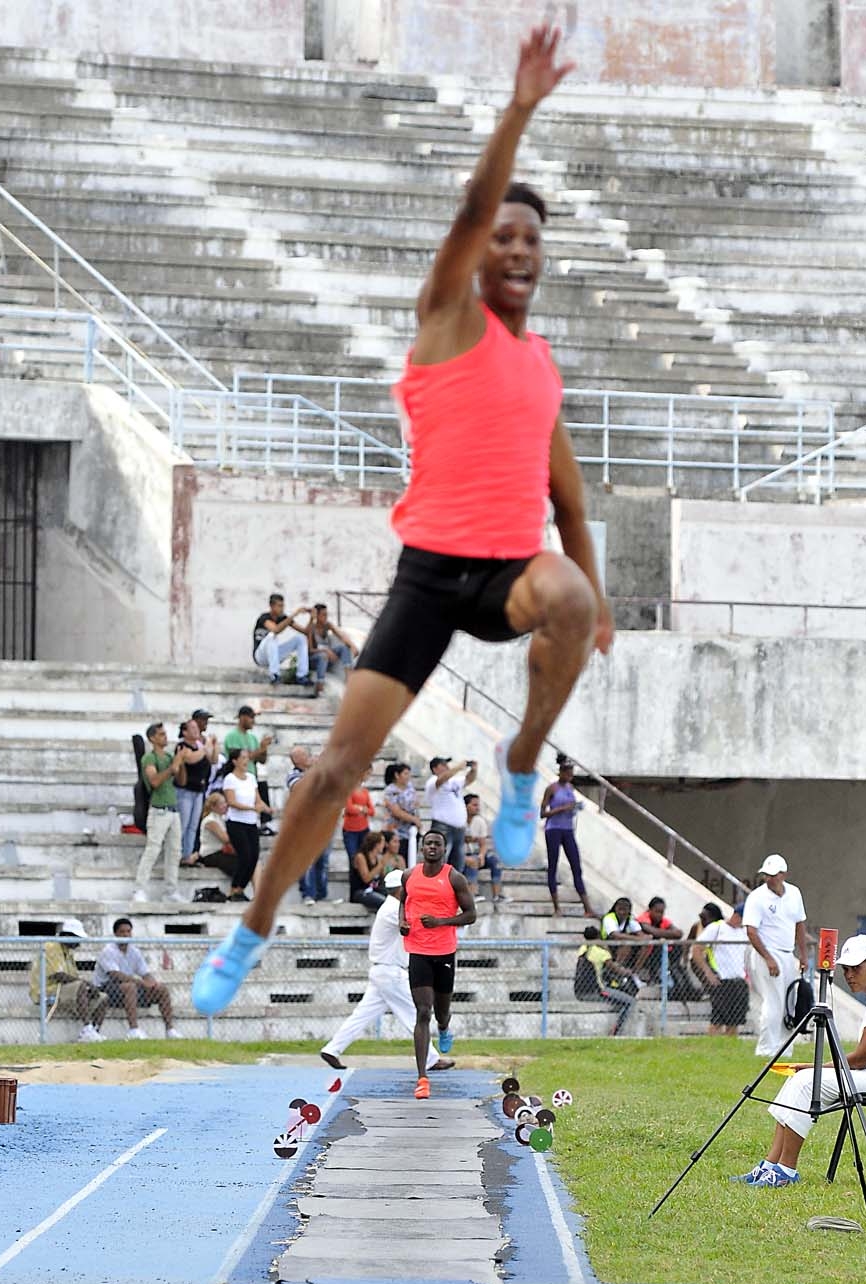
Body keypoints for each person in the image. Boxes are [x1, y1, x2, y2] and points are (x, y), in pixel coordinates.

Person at [193, 24, 611, 1017]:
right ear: (478, 259)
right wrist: (518, 110)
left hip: (511, 570)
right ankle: (250, 930)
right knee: (337, 766)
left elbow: (568, 497)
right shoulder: (445, 318)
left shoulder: (539, 362)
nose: (514, 247)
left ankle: (519, 768)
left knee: (567, 587)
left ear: (542, 261)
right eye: (502, 238)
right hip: (431, 577)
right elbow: (474, 206)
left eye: (530, 239)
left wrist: (592, 602)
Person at [732, 935, 866, 1188]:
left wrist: (816, 1068)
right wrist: (813, 1069)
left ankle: (786, 1171)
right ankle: (770, 1165)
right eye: (845, 969)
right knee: (799, 1080)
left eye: (856, 968)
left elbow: (862, 1059)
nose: (849, 975)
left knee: (805, 1082)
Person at [320, 868, 449, 1075]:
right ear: (400, 889)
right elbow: (416, 926)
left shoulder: (393, 906)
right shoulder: (393, 910)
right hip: (390, 973)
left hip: (384, 972)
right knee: (415, 1013)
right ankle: (431, 1059)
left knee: (361, 1015)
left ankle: (332, 1049)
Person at [399, 828, 476, 1098]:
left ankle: (444, 1028)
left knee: (441, 1012)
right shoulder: (410, 875)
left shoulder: (454, 878)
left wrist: (441, 922)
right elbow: (404, 901)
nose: (432, 847)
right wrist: (403, 922)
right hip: (417, 951)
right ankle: (422, 1078)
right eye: (428, 843)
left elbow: (471, 915)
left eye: (437, 844)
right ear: (422, 847)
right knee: (423, 1011)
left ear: (444, 849)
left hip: (444, 952)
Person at [743, 853, 808, 1062]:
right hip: (766, 953)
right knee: (773, 1000)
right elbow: (751, 931)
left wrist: (803, 955)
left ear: (783, 874)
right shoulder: (757, 897)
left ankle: (784, 1048)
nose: (769, 879)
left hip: (787, 954)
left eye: (773, 875)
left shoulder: (795, 893)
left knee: (788, 1001)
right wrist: (768, 958)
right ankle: (766, 1049)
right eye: (766, 875)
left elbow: (799, 925)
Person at [95, 917, 182, 1040]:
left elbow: (145, 973)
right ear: (115, 934)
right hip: (106, 989)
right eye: (122, 932)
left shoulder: (134, 951)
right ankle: (134, 1030)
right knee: (130, 987)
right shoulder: (108, 950)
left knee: (162, 989)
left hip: (129, 989)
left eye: (128, 931)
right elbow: (115, 975)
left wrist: (152, 983)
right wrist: (142, 983)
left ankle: (170, 1030)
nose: (126, 935)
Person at [28, 918, 108, 1044]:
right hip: (46, 991)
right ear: (68, 936)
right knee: (82, 986)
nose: (80, 943)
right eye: (77, 938)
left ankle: (94, 1031)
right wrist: (86, 985)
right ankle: (87, 1028)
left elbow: (73, 977)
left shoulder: (68, 953)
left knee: (102, 997)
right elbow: (59, 976)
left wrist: (88, 988)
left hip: (63, 991)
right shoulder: (51, 947)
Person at [133, 722, 186, 903]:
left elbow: (181, 781)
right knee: (153, 849)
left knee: (174, 851)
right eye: (161, 734)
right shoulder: (149, 758)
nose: (165, 737)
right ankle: (139, 888)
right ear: (152, 738)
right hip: (158, 809)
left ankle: (171, 890)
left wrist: (180, 762)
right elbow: (154, 781)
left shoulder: (170, 756)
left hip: (173, 808)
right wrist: (172, 768)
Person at [540, 755, 595, 916]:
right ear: (561, 772)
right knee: (553, 865)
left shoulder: (570, 788)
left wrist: (574, 808)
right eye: (568, 773)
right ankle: (556, 907)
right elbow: (543, 813)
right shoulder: (552, 789)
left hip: (568, 828)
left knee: (576, 866)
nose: (570, 776)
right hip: (554, 829)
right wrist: (562, 809)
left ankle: (587, 907)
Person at [692, 903, 751, 1036]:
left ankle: (730, 1048)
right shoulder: (717, 928)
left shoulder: (744, 932)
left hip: (739, 981)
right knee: (717, 1020)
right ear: (737, 916)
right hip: (722, 980)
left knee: (735, 1021)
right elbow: (697, 949)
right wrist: (707, 972)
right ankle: (712, 1046)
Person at [223, 746, 272, 900]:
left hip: (251, 823)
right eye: (243, 758)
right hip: (236, 822)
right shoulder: (230, 779)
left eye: (246, 758)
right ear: (235, 761)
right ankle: (234, 888)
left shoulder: (251, 777)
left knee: (253, 856)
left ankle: (240, 888)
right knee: (245, 855)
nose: (246, 761)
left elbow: (257, 798)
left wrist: (266, 808)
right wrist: (252, 808)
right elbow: (231, 802)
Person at [574, 926, 637, 1036]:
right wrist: (629, 972)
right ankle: (616, 1031)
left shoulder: (582, 948)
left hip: (579, 991)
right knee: (630, 1002)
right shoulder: (601, 953)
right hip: (597, 990)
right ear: (598, 937)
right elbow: (616, 969)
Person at [287, 746, 329, 904]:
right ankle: (307, 893)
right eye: (305, 755)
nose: (309, 757)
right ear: (296, 759)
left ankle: (321, 894)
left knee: (322, 859)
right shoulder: (294, 775)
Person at [222, 706, 274, 835]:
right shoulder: (232, 736)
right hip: (237, 778)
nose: (253, 721)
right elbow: (240, 758)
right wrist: (260, 749)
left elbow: (261, 760)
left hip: (251, 776)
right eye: (251, 717)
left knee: (263, 787)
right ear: (242, 717)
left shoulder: (253, 738)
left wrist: (264, 748)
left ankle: (264, 823)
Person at [424, 757, 477, 873]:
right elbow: (441, 780)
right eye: (443, 765)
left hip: (459, 828)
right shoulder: (432, 781)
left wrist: (473, 770)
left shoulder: (454, 781)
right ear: (435, 769)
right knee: (440, 860)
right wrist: (458, 767)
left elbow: (469, 780)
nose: (447, 767)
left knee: (457, 863)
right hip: (443, 826)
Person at [252, 591, 312, 686]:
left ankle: (302, 676)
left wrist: (312, 618)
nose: (282, 609)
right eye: (279, 606)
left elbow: (305, 631)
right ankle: (274, 675)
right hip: (260, 656)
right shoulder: (264, 618)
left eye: (283, 606)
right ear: (272, 606)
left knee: (300, 638)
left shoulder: (283, 618)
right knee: (272, 636)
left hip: (274, 656)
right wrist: (294, 614)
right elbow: (276, 629)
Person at [174, 717, 210, 865]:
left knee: (193, 826)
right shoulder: (181, 747)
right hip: (185, 790)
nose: (197, 731)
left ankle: (187, 854)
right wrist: (204, 748)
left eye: (197, 728)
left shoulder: (200, 746)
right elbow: (190, 759)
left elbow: (212, 759)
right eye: (193, 729)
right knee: (183, 824)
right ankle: (176, 853)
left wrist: (211, 746)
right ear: (184, 732)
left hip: (199, 790)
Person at [463, 793, 504, 906]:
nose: (478, 808)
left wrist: (481, 855)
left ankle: (497, 895)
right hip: (460, 856)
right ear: (465, 806)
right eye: (474, 805)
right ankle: (473, 893)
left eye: (478, 805)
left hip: (475, 853)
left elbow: (483, 843)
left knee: (495, 860)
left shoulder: (480, 821)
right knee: (473, 861)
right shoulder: (458, 821)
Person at [600, 897, 649, 984]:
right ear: (615, 908)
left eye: (625, 910)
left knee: (646, 945)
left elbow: (640, 934)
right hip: (606, 945)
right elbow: (615, 935)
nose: (622, 912)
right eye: (620, 909)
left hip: (620, 945)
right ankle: (616, 970)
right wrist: (638, 939)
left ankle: (635, 973)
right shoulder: (609, 918)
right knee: (626, 942)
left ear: (629, 911)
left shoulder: (630, 919)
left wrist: (646, 938)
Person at [310, 602, 357, 686]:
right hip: (315, 660)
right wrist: (325, 650)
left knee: (343, 648)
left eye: (327, 614)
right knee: (323, 655)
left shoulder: (327, 625)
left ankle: (349, 677)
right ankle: (320, 683)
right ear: (316, 616)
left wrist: (352, 646)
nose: (326, 617)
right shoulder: (311, 628)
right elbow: (309, 651)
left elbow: (341, 635)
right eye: (323, 615)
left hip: (328, 658)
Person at [382, 762, 419, 866]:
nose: (408, 777)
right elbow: (396, 811)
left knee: (410, 860)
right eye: (405, 774)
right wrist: (413, 819)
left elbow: (416, 804)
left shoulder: (410, 788)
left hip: (410, 830)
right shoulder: (390, 790)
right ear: (397, 775)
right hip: (395, 831)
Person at [198, 792, 236, 883]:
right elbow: (225, 839)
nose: (225, 805)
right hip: (210, 854)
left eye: (225, 803)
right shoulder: (210, 820)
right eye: (222, 803)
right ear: (213, 807)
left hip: (220, 852)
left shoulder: (221, 818)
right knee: (237, 865)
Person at [342, 776, 375, 869]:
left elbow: (372, 811)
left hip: (364, 829)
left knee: (366, 857)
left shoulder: (365, 791)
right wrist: (363, 809)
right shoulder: (348, 791)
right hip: (350, 830)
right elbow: (349, 808)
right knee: (353, 859)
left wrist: (358, 807)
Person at [349, 830, 387, 911]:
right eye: (382, 843)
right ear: (376, 844)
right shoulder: (361, 857)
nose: (384, 846)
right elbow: (366, 878)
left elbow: (381, 878)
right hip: (361, 892)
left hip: (374, 889)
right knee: (384, 902)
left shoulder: (378, 858)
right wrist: (379, 867)